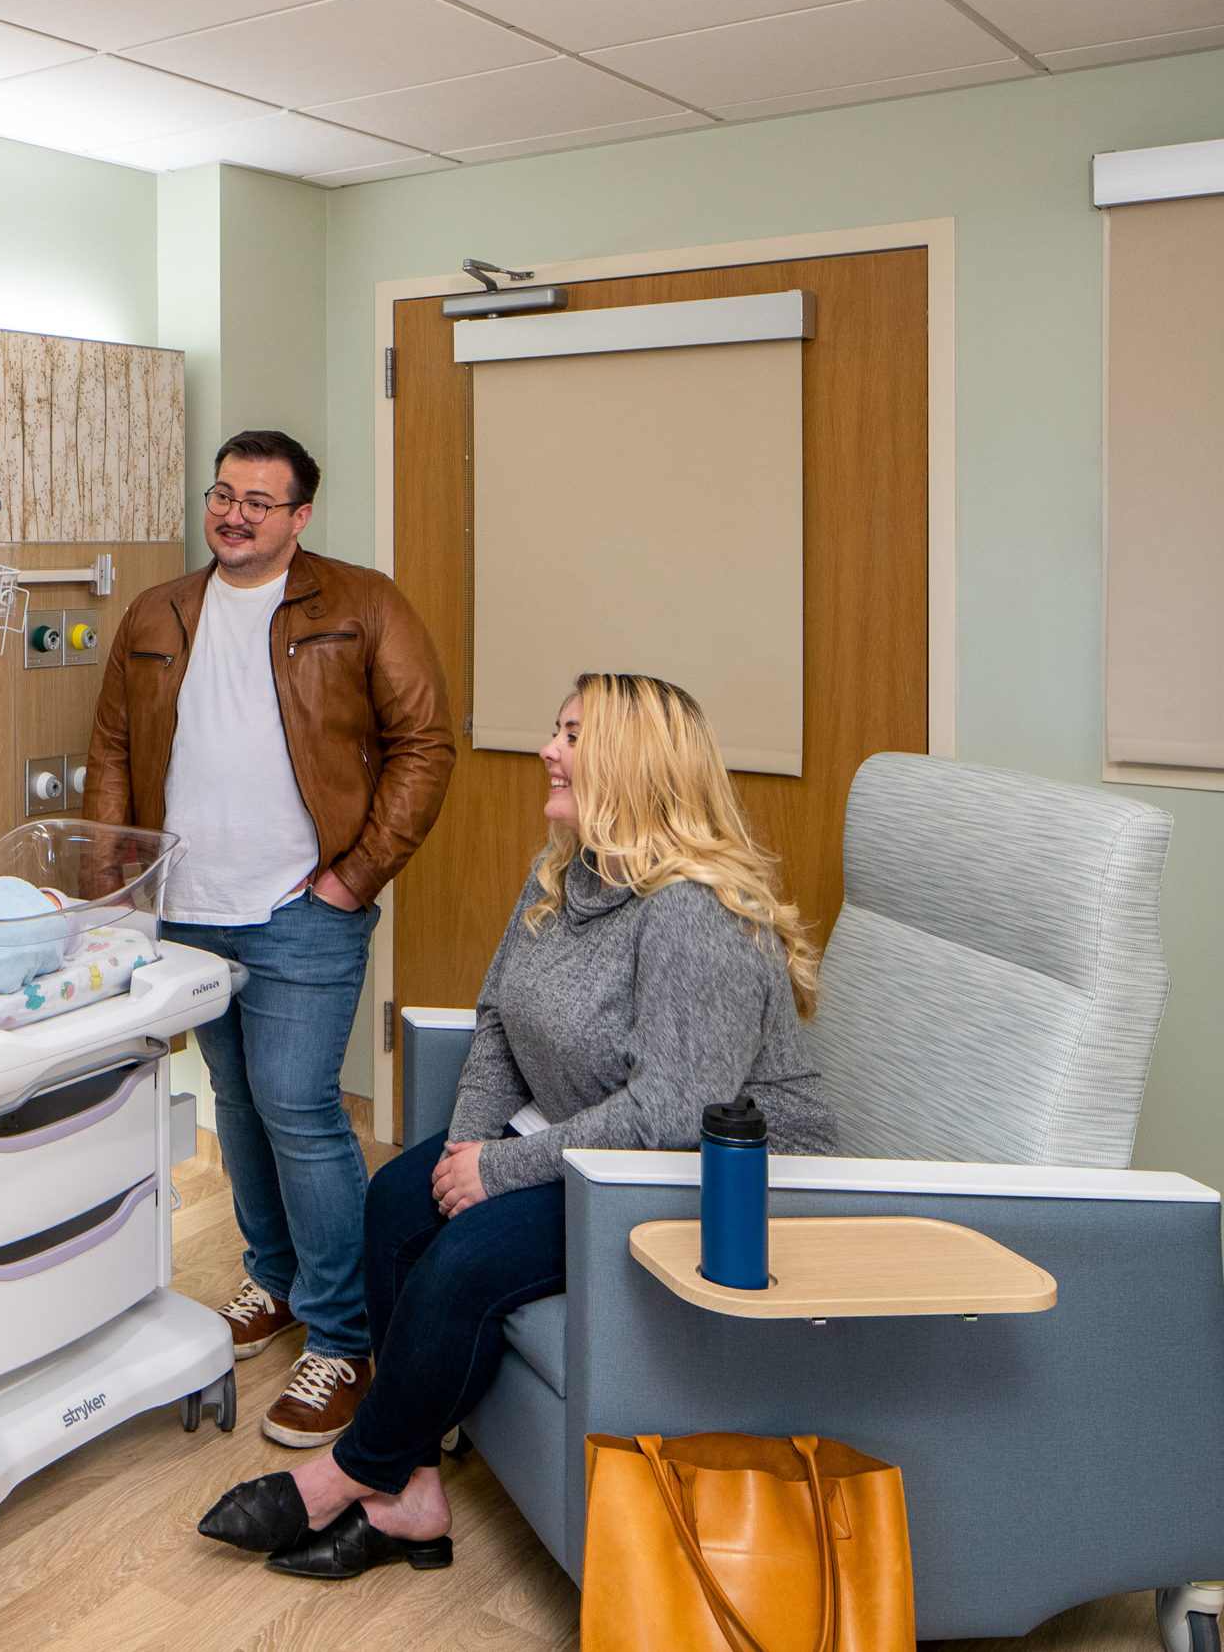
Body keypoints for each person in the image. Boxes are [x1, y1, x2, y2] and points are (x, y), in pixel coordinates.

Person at [195, 673, 838, 1580]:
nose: (548, 748)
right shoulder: (569, 874)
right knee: (397, 1198)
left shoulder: (696, 913)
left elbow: (669, 1113)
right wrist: (464, 1152)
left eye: (572, 734)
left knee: (467, 1256)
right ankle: (412, 1491)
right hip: (596, 1144)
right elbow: (495, 1019)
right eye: (554, 727)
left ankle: (345, 1473)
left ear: (634, 764)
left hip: (712, 1177)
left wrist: (498, 1174)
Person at [85, 429, 455, 1448]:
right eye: (222, 495)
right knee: (235, 1101)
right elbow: (113, 745)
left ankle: (343, 1338)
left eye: (259, 500)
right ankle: (276, 1282)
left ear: (298, 518)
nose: (234, 514)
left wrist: (355, 876)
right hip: (187, 905)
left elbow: (425, 743)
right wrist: (112, 884)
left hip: (302, 909)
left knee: (298, 1107)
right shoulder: (157, 612)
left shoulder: (361, 603)